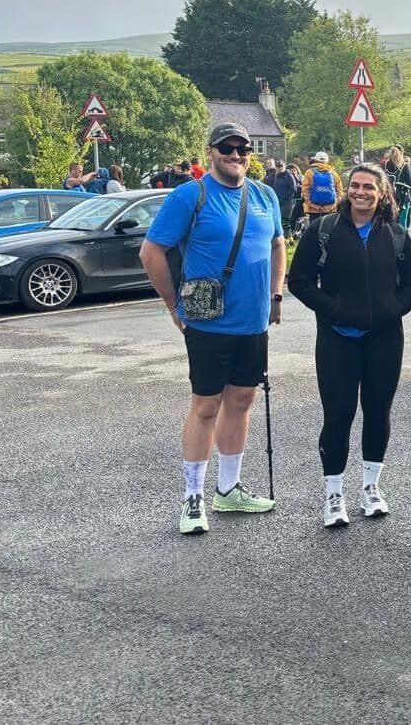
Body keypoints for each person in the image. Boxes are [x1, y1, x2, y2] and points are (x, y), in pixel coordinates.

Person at [139, 122, 285, 536]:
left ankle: (229, 488)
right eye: (227, 147)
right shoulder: (192, 195)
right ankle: (193, 497)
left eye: (242, 148)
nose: (236, 154)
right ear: (211, 152)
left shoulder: (265, 194)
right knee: (206, 406)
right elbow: (151, 251)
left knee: (241, 401)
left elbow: (277, 243)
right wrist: (173, 306)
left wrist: (276, 295)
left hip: (253, 322)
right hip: (208, 321)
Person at [288, 164, 411, 528]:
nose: (360, 192)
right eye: (355, 186)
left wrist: (393, 309)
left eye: (368, 188)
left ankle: (370, 488)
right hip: (337, 339)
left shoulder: (395, 235)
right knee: (339, 415)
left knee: (378, 413)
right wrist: (333, 309)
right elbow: (298, 281)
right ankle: (334, 494)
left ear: (382, 194)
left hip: (384, 338)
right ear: (346, 190)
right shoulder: (323, 231)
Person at [302, 152, 343, 224]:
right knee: (329, 230)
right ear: (327, 161)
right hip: (330, 209)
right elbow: (339, 191)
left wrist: (314, 206)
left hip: (313, 210)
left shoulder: (309, 172)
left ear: (315, 160)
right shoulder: (334, 174)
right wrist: (333, 205)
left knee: (314, 231)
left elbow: (305, 190)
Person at [271, 161, 299, 238]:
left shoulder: (289, 175)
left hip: (288, 201)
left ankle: (287, 238)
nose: (280, 168)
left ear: (284, 166)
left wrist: (286, 197)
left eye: (281, 166)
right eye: (278, 166)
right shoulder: (277, 176)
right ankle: (285, 238)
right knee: (279, 219)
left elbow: (294, 189)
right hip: (279, 200)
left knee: (285, 220)